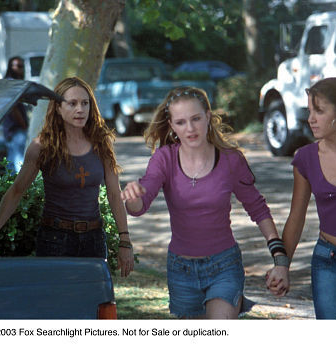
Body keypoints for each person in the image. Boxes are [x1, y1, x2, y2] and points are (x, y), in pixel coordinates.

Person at [120, 86, 289, 319]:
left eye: (196, 119)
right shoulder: (164, 159)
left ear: (208, 117)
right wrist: (134, 196)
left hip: (224, 266)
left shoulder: (231, 160)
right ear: (171, 126)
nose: (190, 129)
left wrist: (280, 259)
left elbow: (258, 209)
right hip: (181, 270)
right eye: (180, 122)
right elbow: (139, 206)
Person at [0, 76, 134, 277]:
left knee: (93, 304)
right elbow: (17, 190)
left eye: (85, 103)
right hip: (55, 239)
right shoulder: (42, 146)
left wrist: (124, 239)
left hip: (93, 239)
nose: (80, 109)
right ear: (58, 108)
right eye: (73, 103)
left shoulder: (101, 142)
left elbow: (114, 194)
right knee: (57, 304)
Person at [269, 77, 336, 319]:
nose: (311, 118)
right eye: (309, 110)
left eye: (319, 111)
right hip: (328, 262)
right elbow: (296, 217)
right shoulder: (305, 158)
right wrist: (283, 265)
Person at [2, 56, 29, 173]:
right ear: (10, 67)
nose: (18, 69)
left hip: (11, 129)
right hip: (15, 128)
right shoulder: (12, 84)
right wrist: (23, 124)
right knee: (19, 161)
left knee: (12, 161)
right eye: (16, 65)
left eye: (21, 66)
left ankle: (10, 186)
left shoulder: (15, 83)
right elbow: (14, 108)